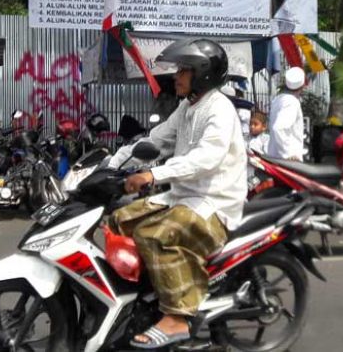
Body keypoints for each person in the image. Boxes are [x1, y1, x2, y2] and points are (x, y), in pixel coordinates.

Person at [106, 39, 246, 349]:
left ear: (203, 75)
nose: (176, 76)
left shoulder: (219, 109)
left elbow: (206, 159)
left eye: (184, 70)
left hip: (213, 203)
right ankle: (146, 296)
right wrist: (108, 166)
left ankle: (177, 317)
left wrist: (153, 174)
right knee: (118, 221)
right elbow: (155, 141)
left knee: (154, 235)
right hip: (183, 196)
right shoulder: (187, 107)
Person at [268, 66, 306, 161]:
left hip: (277, 157)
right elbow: (278, 128)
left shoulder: (279, 99)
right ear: (302, 86)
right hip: (288, 160)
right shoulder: (291, 102)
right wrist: (288, 154)